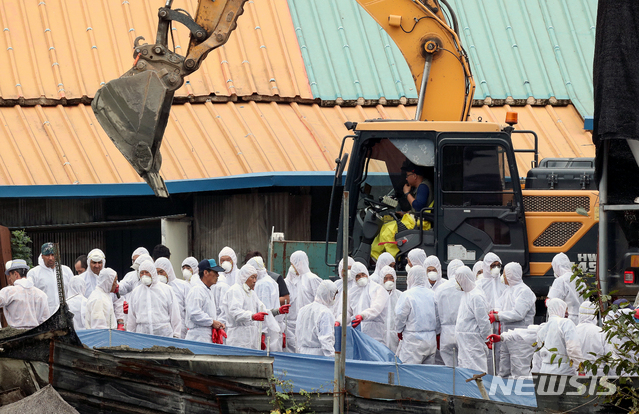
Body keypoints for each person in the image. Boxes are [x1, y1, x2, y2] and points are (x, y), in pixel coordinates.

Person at [222, 264, 289, 349]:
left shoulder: (251, 293)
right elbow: (235, 312)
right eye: (252, 277)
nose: (255, 281)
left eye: (256, 277)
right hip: (238, 338)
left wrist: (278, 311)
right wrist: (252, 316)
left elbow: (262, 310)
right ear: (244, 277)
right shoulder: (235, 290)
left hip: (251, 338)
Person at [492, 262, 537, 378]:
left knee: (519, 371)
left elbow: (518, 314)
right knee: (504, 370)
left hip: (520, 338)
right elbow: (501, 307)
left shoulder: (524, 291)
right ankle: (503, 395)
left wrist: (497, 316)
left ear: (511, 275)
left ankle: (520, 396)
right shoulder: (508, 290)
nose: (503, 276)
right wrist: (494, 312)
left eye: (505, 274)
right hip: (507, 336)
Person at [395, 265, 440, 364]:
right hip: (430, 340)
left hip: (413, 341)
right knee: (427, 374)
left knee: (409, 373)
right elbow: (438, 316)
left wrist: (399, 330)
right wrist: (436, 332)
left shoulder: (407, 295)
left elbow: (400, 315)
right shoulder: (433, 294)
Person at [127, 261, 182, 338]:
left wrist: (176, 334)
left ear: (153, 273)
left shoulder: (166, 289)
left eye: (147, 272)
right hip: (142, 334)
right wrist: (130, 335)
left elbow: (174, 313)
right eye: (142, 273)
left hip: (163, 334)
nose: (144, 275)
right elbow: (131, 317)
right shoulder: (136, 292)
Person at [454, 266, 492, 372]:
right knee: (466, 370)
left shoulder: (476, 296)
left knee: (477, 370)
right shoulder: (467, 294)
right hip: (466, 343)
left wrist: (486, 339)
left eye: (458, 281)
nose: (457, 284)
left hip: (473, 343)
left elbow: (483, 321)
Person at [284, 251, 322, 352]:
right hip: (302, 322)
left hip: (312, 322)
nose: (292, 268)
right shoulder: (299, 280)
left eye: (293, 264)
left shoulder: (312, 279)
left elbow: (321, 301)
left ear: (299, 263)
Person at [535, 298, 583, 375]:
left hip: (544, 370)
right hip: (563, 371)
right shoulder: (565, 323)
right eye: (566, 309)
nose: (567, 313)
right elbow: (573, 348)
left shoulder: (542, 328)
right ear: (560, 308)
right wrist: (580, 368)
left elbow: (538, 355)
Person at [476, 252, 506, 375]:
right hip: (486, 323)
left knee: (502, 353)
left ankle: (499, 379)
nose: (496, 268)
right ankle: (488, 379)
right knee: (487, 354)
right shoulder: (479, 284)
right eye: (493, 265)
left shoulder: (504, 282)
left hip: (501, 322)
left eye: (498, 265)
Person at [81, 249, 125, 330]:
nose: (97, 265)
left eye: (99, 262)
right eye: (94, 262)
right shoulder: (82, 280)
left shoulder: (110, 278)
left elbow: (118, 302)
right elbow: (99, 328)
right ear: (88, 262)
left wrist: (120, 321)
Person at [184, 259, 226, 343]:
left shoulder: (207, 291)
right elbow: (194, 313)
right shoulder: (197, 290)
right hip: (197, 337)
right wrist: (211, 322)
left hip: (205, 336)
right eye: (215, 272)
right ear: (206, 273)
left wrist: (217, 323)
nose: (218, 275)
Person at [0, 260, 50, 328]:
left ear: (16, 274)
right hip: (35, 334)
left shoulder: (8, 292)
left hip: (15, 335)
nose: (9, 278)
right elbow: (45, 320)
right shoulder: (41, 294)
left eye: (10, 275)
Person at [27, 242, 73, 315]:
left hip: (64, 315)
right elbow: (30, 297)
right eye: (47, 255)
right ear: (42, 256)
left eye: (53, 255)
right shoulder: (34, 273)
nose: (51, 258)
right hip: (43, 316)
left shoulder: (66, 271)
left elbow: (72, 293)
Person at [348, 262, 389, 343]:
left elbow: (376, 308)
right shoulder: (352, 292)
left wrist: (362, 316)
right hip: (358, 333)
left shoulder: (377, 289)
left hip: (374, 333)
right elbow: (348, 312)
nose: (361, 277)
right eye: (358, 276)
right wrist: (339, 321)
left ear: (367, 273)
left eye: (363, 274)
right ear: (354, 278)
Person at [248, 256, 282, 351]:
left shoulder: (262, 284)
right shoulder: (269, 280)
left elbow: (264, 310)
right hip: (271, 327)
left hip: (266, 331)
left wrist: (262, 332)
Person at [296, 280, 339, 357]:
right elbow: (326, 339)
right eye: (334, 296)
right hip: (318, 355)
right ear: (329, 295)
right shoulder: (325, 313)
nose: (334, 298)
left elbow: (297, 334)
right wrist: (331, 358)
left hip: (302, 353)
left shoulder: (303, 310)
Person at [435, 259, 465, 367]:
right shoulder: (467, 287)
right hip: (464, 331)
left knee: (450, 368)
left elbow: (436, 314)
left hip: (446, 333)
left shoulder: (441, 289)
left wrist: (437, 331)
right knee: (464, 366)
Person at [156, 258, 191, 338]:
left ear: (168, 271)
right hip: (162, 332)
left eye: (161, 272)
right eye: (157, 272)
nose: (159, 275)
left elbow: (189, 309)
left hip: (182, 331)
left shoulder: (183, 286)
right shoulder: (155, 289)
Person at [547, 253, 583, 325]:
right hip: (581, 320)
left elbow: (552, 303)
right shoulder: (580, 281)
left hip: (566, 321)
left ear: (556, 267)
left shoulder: (560, 281)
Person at [575, 301, 610, 376]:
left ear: (579, 314)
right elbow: (608, 355)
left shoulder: (573, 331)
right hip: (598, 373)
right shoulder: (602, 332)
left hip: (577, 372)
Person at [380, 265, 402, 353]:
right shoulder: (377, 295)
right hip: (381, 335)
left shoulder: (400, 295)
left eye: (391, 278)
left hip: (395, 337)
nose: (389, 281)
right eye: (385, 278)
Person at [332, 257, 356, 321]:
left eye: (349, 269)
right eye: (344, 269)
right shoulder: (336, 284)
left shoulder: (357, 285)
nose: (347, 272)